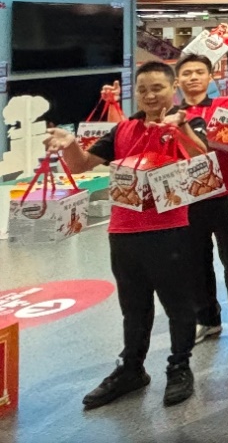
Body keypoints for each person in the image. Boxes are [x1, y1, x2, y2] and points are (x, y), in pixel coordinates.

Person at [44, 62, 207, 409]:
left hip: (171, 230)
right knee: (133, 307)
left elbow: (202, 160)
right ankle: (131, 368)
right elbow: (82, 164)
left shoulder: (187, 123)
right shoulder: (123, 130)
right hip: (124, 231)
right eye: (143, 89)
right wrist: (69, 145)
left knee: (178, 304)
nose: (150, 95)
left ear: (173, 89)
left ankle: (179, 366)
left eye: (157, 88)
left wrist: (179, 128)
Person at [173, 54, 228, 345]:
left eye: (199, 72)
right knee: (193, 262)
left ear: (210, 77)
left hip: (227, 193)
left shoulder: (226, 105)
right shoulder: (170, 115)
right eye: (187, 73)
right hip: (187, 198)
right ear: (177, 80)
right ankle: (206, 319)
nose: (193, 77)